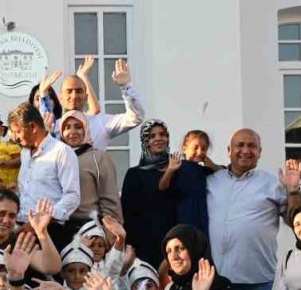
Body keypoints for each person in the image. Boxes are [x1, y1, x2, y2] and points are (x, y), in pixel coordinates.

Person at [205, 130, 301, 290]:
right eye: (240, 145)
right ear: (229, 151)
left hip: (257, 285)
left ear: (259, 152)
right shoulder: (211, 181)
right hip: (217, 283)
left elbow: (294, 221)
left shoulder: (272, 184)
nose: (245, 151)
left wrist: (293, 190)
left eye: (252, 146)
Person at [8, 103, 79, 248]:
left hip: (50, 232)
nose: (15, 138)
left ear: (33, 127)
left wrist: (41, 220)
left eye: (18, 132)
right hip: (21, 230)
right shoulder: (25, 152)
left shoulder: (61, 151)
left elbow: (72, 197)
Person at [120, 120, 179, 267]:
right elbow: (128, 213)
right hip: (144, 245)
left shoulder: (179, 169)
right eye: (152, 136)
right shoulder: (134, 174)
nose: (158, 139)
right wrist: (130, 246)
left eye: (162, 134)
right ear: (145, 141)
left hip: (174, 244)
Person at [60, 111, 120, 226]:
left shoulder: (98, 158)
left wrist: (110, 235)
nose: (72, 132)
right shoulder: (55, 157)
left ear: (86, 130)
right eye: (67, 128)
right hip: (59, 229)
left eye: (78, 127)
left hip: (90, 229)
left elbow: (110, 201)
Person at [155, 130, 218, 239]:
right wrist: (170, 170)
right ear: (184, 147)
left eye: (204, 148)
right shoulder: (178, 167)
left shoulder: (204, 171)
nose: (199, 152)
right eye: (195, 147)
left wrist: (212, 165)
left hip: (201, 217)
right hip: (183, 215)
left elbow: (224, 172)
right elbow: (162, 186)